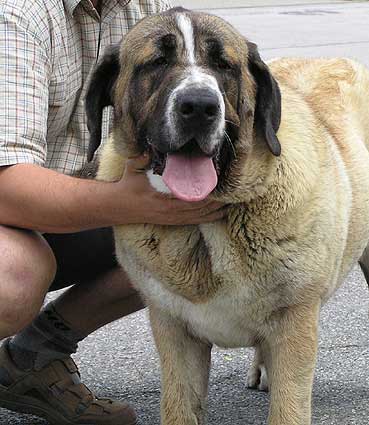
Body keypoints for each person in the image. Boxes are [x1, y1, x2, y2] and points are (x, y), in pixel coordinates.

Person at [0, 1, 225, 424]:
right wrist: (131, 202)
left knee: (182, 234)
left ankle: (31, 359)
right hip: (9, 209)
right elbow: (6, 188)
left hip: (74, 200)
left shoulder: (148, 9)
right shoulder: (17, 13)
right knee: (12, 276)